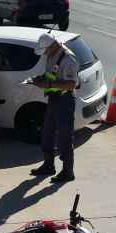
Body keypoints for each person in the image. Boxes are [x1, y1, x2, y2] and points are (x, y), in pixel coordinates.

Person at [28, 33, 79, 183]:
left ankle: (68, 172)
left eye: (45, 50)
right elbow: (52, 74)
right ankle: (49, 165)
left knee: (64, 137)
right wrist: (40, 79)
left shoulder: (68, 59)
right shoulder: (52, 55)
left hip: (65, 100)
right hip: (54, 99)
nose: (44, 53)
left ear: (51, 45)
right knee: (47, 132)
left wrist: (49, 85)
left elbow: (71, 84)